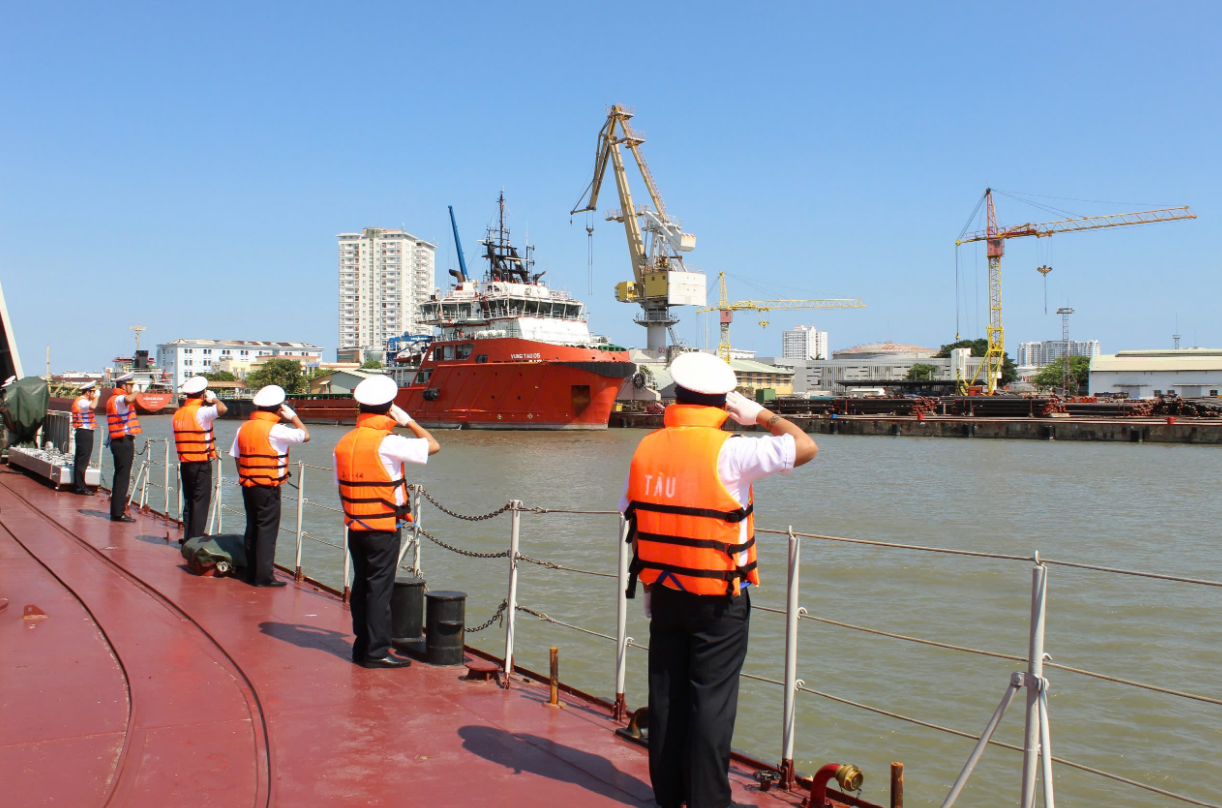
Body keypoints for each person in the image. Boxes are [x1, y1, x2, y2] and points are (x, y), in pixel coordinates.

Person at [619, 352, 818, 808]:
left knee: (666, 699)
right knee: (711, 702)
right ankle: (710, 800)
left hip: (663, 593)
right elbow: (805, 447)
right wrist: (761, 414)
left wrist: (650, 588)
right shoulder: (733, 450)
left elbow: (637, 518)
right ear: (724, 403)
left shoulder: (646, 447)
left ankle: (670, 796)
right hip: (719, 599)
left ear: (676, 395)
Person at [334, 375, 439, 669]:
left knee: (362, 585)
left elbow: (340, 483)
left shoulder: (344, 442)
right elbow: (433, 446)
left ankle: (362, 645)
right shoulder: (388, 442)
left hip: (356, 526)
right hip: (383, 527)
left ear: (359, 408)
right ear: (390, 408)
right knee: (380, 589)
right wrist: (409, 422)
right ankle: (377, 652)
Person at [230, 385, 309, 587]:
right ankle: (264, 577)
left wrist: (247, 475)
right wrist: (293, 416)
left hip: (248, 484)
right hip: (268, 487)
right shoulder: (276, 429)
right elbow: (305, 435)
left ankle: (250, 571)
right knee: (267, 531)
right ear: (278, 409)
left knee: (252, 527)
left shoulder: (244, 427)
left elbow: (237, 458)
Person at [172, 375, 227, 543]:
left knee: (189, 503)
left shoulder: (178, 413)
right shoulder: (202, 412)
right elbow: (223, 409)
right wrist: (214, 399)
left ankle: (188, 538)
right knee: (200, 505)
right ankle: (194, 543)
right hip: (200, 464)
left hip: (185, 462)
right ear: (203, 394)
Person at [106, 373, 143, 522]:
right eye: (131, 385)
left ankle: (116, 510)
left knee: (119, 476)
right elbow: (128, 399)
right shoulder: (120, 398)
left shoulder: (111, 399)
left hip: (117, 441)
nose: (132, 388)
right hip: (123, 441)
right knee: (123, 477)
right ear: (123, 386)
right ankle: (118, 513)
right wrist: (138, 391)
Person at [71, 381, 100, 495]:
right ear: (88, 392)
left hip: (82, 432)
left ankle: (79, 485)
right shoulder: (83, 401)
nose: (94, 394)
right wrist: (97, 396)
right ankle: (81, 487)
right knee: (83, 460)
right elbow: (92, 406)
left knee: (80, 460)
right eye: (93, 392)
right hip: (85, 433)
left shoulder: (81, 401)